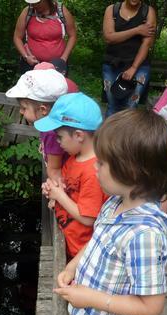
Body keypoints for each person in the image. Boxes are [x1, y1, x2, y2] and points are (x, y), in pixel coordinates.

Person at [53, 109, 167, 315]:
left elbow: (151, 307)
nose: (94, 167)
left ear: (129, 172)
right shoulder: (114, 202)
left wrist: (90, 297)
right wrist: (72, 267)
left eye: (101, 163)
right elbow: (97, 241)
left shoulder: (144, 235)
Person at [35, 93, 107, 258]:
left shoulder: (94, 171)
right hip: (69, 241)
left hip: (83, 253)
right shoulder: (75, 158)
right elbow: (66, 187)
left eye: (59, 137)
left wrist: (59, 196)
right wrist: (53, 189)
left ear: (79, 135)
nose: (57, 142)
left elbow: (88, 218)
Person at [5, 69, 68, 181]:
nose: (20, 111)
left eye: (24, 108)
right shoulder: (48, 123)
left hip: (63, 184)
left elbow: (55, 170)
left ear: (43, 109)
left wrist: (55, 194)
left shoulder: (52, 133)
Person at [102, 0, 157, 117]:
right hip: (112, 63)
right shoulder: (112, 10)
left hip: (139, 66)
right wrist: (137, 30)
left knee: (131, 106)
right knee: (112, 104)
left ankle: (128, 135)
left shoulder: (148, 12)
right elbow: (109, 37)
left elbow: (147, 43)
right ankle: (107, 135)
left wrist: (133, 67)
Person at [13, 0, 77, 74]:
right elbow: (17, 37)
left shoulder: (61, 11)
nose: (34, 5)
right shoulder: (27, 12)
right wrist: (26, 57)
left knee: (56, 85)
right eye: (32, 3)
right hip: (31, 64)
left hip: (57, 65)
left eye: (38, 3)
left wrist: (63, 59)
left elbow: (72, 35)